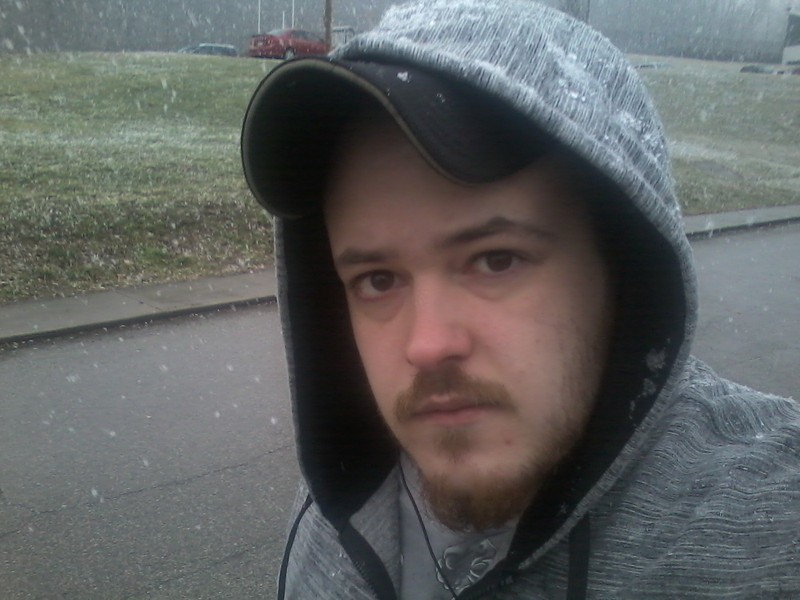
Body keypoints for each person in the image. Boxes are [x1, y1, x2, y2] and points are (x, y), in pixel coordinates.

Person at [240, 1, 800, 598]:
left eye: (496, 260)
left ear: (622, 268)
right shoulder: (344, 498)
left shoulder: (766, 525)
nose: (427, 345)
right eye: (378, 280)